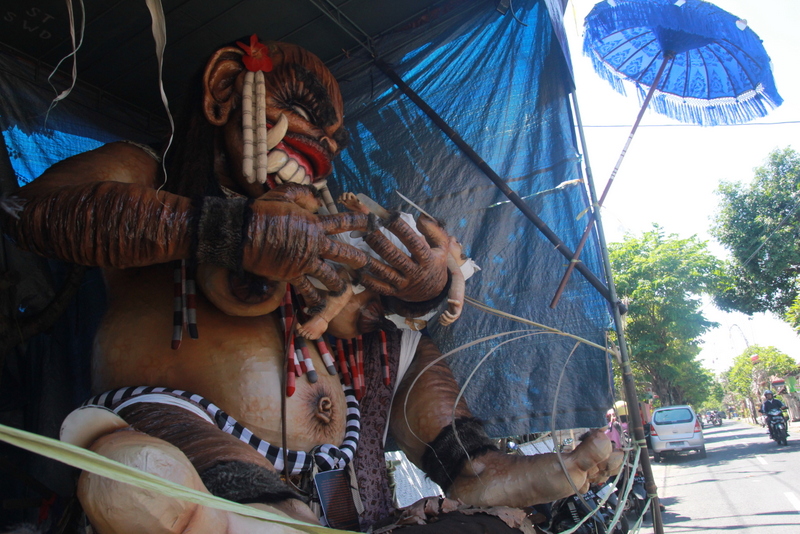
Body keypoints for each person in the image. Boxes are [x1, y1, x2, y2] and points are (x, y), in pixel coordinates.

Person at [4, 37, 621, 533]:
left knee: (406, 350)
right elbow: (34, 215)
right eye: (301, 118)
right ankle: (260, 511)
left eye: (330, 138)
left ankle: (473, 463)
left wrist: (421, 287)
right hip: (189, 436)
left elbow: (373, 315)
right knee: (141, 474)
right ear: (226, 91)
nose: (319, 148)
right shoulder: (147, 171)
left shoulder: (323, 223)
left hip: (338, 474)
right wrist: (223, 229)